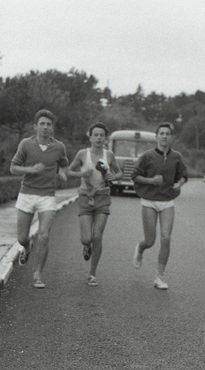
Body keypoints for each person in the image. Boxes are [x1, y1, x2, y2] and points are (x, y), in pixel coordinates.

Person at [10, 109, 69, 289]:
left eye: (48, 124)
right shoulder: (26, 144)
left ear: (52, 128)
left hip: (47, 196)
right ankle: (27, 247)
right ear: (35, 127)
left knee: (44, 235)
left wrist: (63, 173)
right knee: (22, 238)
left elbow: (64, 164)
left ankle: (38, 275)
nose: (45, 127)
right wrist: (31, 170)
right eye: (42, 124)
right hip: (27, 193)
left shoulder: (59, 147)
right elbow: (13, 168)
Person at [131, 122, 189, 290]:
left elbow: (183, 175)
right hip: (149, 200)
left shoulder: (176, 157)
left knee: (166, 237)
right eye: (161, 133)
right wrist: (151, 181)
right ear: (156, 137)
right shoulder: (147, 156)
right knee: (150, 240)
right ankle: (140, 249)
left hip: (167, 201)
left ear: (171, 137)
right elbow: (135, 176)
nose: (164, 136)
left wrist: (180, 183)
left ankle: (159, 277)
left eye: (167, 134)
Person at [67, 122, 123, 287]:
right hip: (85, 196)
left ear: (105, 138)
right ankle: (86, 246)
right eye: (95, 135)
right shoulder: (82, 154)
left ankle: (92, 274)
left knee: (97, 236)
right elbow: (69, 172)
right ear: (90, 137)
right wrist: (82, 173)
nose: (98, 138)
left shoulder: (109, 155)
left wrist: (113, 176)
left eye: (101, 135)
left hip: (102, 197)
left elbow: (119, 172)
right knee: (86, 239)